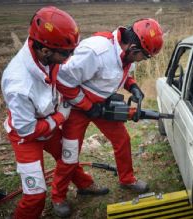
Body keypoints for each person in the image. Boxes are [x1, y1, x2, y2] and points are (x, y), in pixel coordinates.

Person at [54, 18, 164, 210]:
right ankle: (58, 197)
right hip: (77, 107)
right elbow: (63, 81)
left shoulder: (126, 54)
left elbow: (122, 73)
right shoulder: (95, 52)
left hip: (102, 104)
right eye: (144, 57)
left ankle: (127, 179)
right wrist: (87, 106)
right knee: (70, 153)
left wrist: (133, 87)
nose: (143, 60)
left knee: (122, 140)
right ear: (133, 48)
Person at [1, 6, 84, 218]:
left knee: (69, 157)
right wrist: (60, 117)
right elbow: (27, 130)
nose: (69, 57)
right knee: (35, 196)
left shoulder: (45, 56)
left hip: (47, 123)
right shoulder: (19, 84)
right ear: (45, 51)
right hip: (26, 136)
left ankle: (85, 185)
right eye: (66, 53)